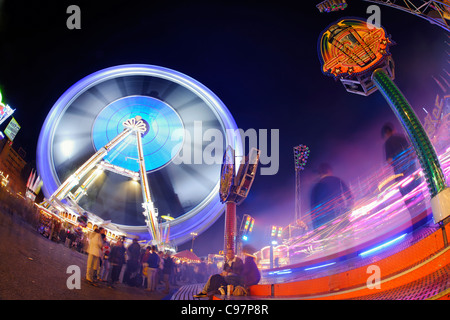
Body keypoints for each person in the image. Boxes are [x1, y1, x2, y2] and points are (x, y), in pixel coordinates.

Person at [310, 163, 353, 231]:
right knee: (348, 238)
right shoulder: (337, 180)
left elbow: (313, 211)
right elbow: (349, 196)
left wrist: (316, 228)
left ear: (320, 173)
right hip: (340, 218)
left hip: (325, 225)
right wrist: (347, 211)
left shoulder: (316, 187)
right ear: (329, 170)